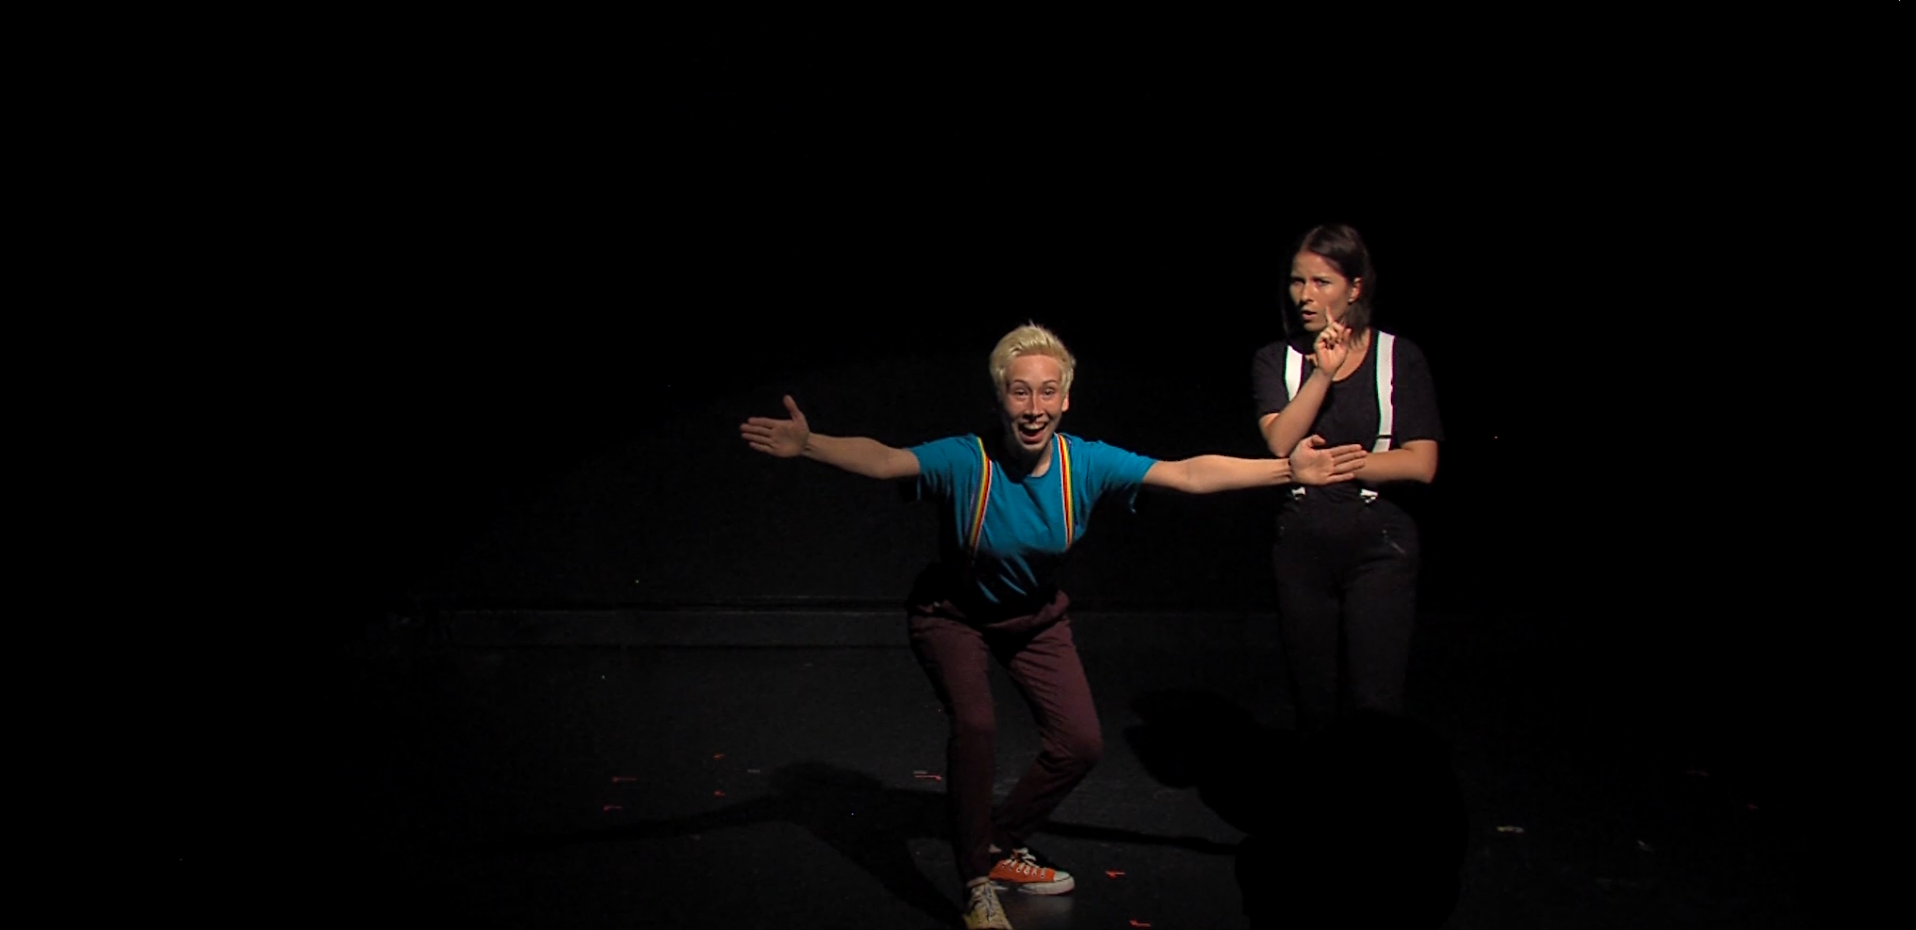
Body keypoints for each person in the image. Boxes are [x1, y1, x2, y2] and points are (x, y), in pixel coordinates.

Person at [741, 322, 1366, 930]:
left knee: (1081, 744)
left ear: (1066, 399)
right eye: (1020, 392)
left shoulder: (1084, 463)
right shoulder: (968, 459)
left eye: (1047, 392)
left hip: (1033, 617)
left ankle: (997, 844)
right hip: (953, 616)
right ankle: (976, 883)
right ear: (1000, 398)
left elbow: (1186, 474)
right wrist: (810, 444)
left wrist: (1289, 472)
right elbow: (886, 461)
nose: (1034, 408)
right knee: (976, 725)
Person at [1252, 222, 1444, 735]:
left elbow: (1420, 462)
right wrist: (1322, 372)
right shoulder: (1277, 360)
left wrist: (1337, 466)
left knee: (1374, 702)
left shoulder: (1397, 357)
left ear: (1354, 288)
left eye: (1321, 282)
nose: (1304, 296)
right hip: (1303, 544)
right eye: (1297, 281)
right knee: (1313, 700)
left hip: (1378, 545)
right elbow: (1280, 441)